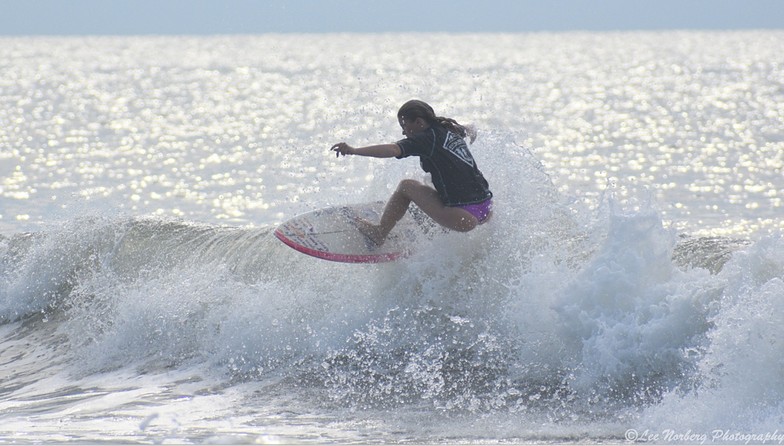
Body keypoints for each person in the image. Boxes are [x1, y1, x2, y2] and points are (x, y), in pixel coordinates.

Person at [330, 99, 493, 246]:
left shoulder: (426, 139)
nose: (404, 132)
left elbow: (393, 149)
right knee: (428, 181)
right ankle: (438, 227)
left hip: (463, 217)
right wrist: (471, 135)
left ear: (419, 122)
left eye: (405, 126)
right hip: (486, 208)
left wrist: (354, 150)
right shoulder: (450, 128)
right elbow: (471, 128)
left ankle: (379, 233)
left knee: (406, 186)